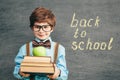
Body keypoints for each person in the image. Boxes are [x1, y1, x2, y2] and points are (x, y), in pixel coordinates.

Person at [13, 7, 68, 80]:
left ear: (52, 28)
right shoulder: (24, 48)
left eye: (45, 27)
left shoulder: (59, 49)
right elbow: (16, 71)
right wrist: (20, 73)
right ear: (32, 28)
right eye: (37, 27)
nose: (41, 31)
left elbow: (64, 74)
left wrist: (58, 73)